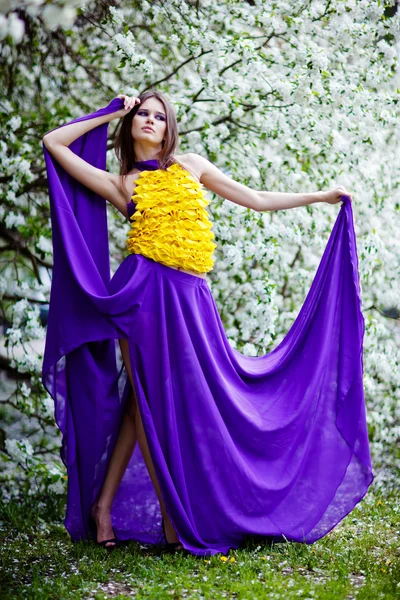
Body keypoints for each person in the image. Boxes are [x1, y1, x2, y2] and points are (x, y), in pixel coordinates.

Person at [41, 91, 373, 556]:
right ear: (131, 124)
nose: (151, 121)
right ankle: (171, 524)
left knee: (145, 404)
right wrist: (112, 110)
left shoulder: (191, 165)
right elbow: (53, 142)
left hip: (191, 298)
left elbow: (254, 199)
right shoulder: (123, 183)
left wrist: (319, 196)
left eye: (159, 116)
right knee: (150, 403)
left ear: (170, 126)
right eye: (143, 115)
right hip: (144, 296)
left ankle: (103, 508)